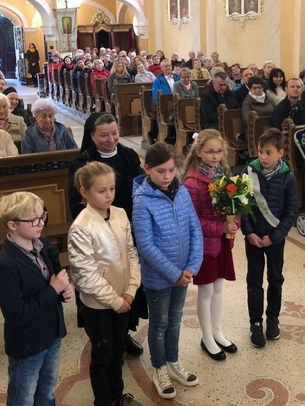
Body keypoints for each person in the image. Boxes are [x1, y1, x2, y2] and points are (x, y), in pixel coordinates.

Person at [68, 113, 147, 357]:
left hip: (127, 230)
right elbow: (77, 206)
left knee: (126, 283)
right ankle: (105, 339)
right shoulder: (82, 165)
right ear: (91, 136)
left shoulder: (129, 155)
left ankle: (124, 335)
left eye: (114, 133)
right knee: (105, 288)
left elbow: (140, 191)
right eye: (103, 135)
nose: (111, 139)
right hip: (99, 237)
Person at [132, 143, 203, 400]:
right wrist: (175, 274)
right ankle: (159, 368)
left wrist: (192, 266)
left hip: (184, 272)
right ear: (147, 169)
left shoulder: (181, 191)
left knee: (175, 320)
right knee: (159, 323)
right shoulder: (142, 201)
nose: (167, 176)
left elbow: (194, 228)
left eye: (172, 170)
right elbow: (147, 246)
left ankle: (173, 362)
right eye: (161, 171)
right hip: (159, 277)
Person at [69, 162, 142, 406]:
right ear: (84, 192)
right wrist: (114, 300)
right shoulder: (81, 227)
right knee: (102, 353)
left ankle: (118, 395)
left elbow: (131, 253)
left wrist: (131, 290)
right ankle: (103, 400)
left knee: (118, 349)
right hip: (99, 305)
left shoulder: (120, 214)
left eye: (111, 188)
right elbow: (85, 275)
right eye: (102, 191)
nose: (109, 195)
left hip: (124, 296)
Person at [0, 191, 73, 406]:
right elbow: (16, 314)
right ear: (12, 225)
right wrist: (53, 290)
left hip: (51, 333)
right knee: (23, 395)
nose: (40, 223)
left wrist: (64, 292)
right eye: (33, 219)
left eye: (42, 216)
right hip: (28, 342)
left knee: (47, 388)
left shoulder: (43, 245)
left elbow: (52, 280)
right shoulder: (4, 264)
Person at [182, 131, 237, 362]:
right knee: (205, 292)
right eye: (210, 151)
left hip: (222, 243)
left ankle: (217, 332)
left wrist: (234, 223)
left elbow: (236, 203)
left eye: (218, 151)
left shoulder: (224, 174)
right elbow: (193, 221)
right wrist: (221, 228)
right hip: (204, 246)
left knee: (218, 288)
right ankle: (206, 338)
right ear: (198, 152)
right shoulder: (192, 182)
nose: (215, 156)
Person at [241, 128, 298, 348]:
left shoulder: (288, 177)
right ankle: (255, 322)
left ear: (280, 153)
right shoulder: (249, 171)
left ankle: (272, 318)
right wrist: (249, 232)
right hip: (254, 238)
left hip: (275, 238)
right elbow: (242, 204)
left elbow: (292, 211)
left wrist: (275, 236)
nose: (263, 157)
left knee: (275, 278)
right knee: (254, 280)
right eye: (260, 152)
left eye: (268, 152)